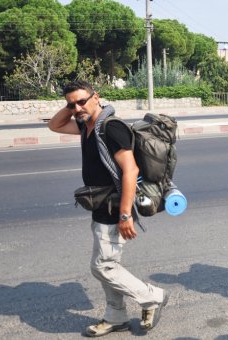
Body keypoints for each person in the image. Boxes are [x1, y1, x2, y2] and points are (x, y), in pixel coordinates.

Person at [48, 80, 169, 337]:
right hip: (100, 205)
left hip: (115, 207)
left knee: (102, 266)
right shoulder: (86, 126)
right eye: (72, 104)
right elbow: (54, 125)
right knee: (108, 264)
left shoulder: (111, 127)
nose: (77, 107)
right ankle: (116, 316)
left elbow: (130, 170)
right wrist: (73, 109)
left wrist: (126, 215)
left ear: (96, 97)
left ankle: (152, 297)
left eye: (82, 101)